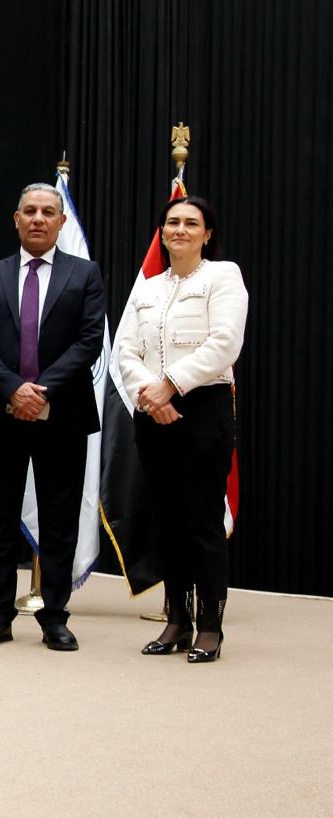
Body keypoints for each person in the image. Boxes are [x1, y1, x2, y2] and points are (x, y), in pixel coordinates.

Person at [0, 182, 105, 651]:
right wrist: (13, 389)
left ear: (61, 222)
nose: (38, 219)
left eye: (47, 212)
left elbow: (89, 341)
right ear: (16, 219)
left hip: (62, 415)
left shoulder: (85, 274)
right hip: (0, 414)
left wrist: (41, 390)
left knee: (60, 521)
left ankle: (55, 618)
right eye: (30, 211)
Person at [115, 196, 246, 663]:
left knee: (202, 521)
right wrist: (151, 396)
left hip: (204, 407)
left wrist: (170, 385)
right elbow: (124, 351)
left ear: (207, 234)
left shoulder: (223, 276)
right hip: (152, 410)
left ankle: (210, 626)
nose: (180, 230)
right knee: (166, 520)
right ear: (163, 232)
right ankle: (176, 620)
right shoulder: (147, 288)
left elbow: (225, 342)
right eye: (172, 222)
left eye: (192, 223)